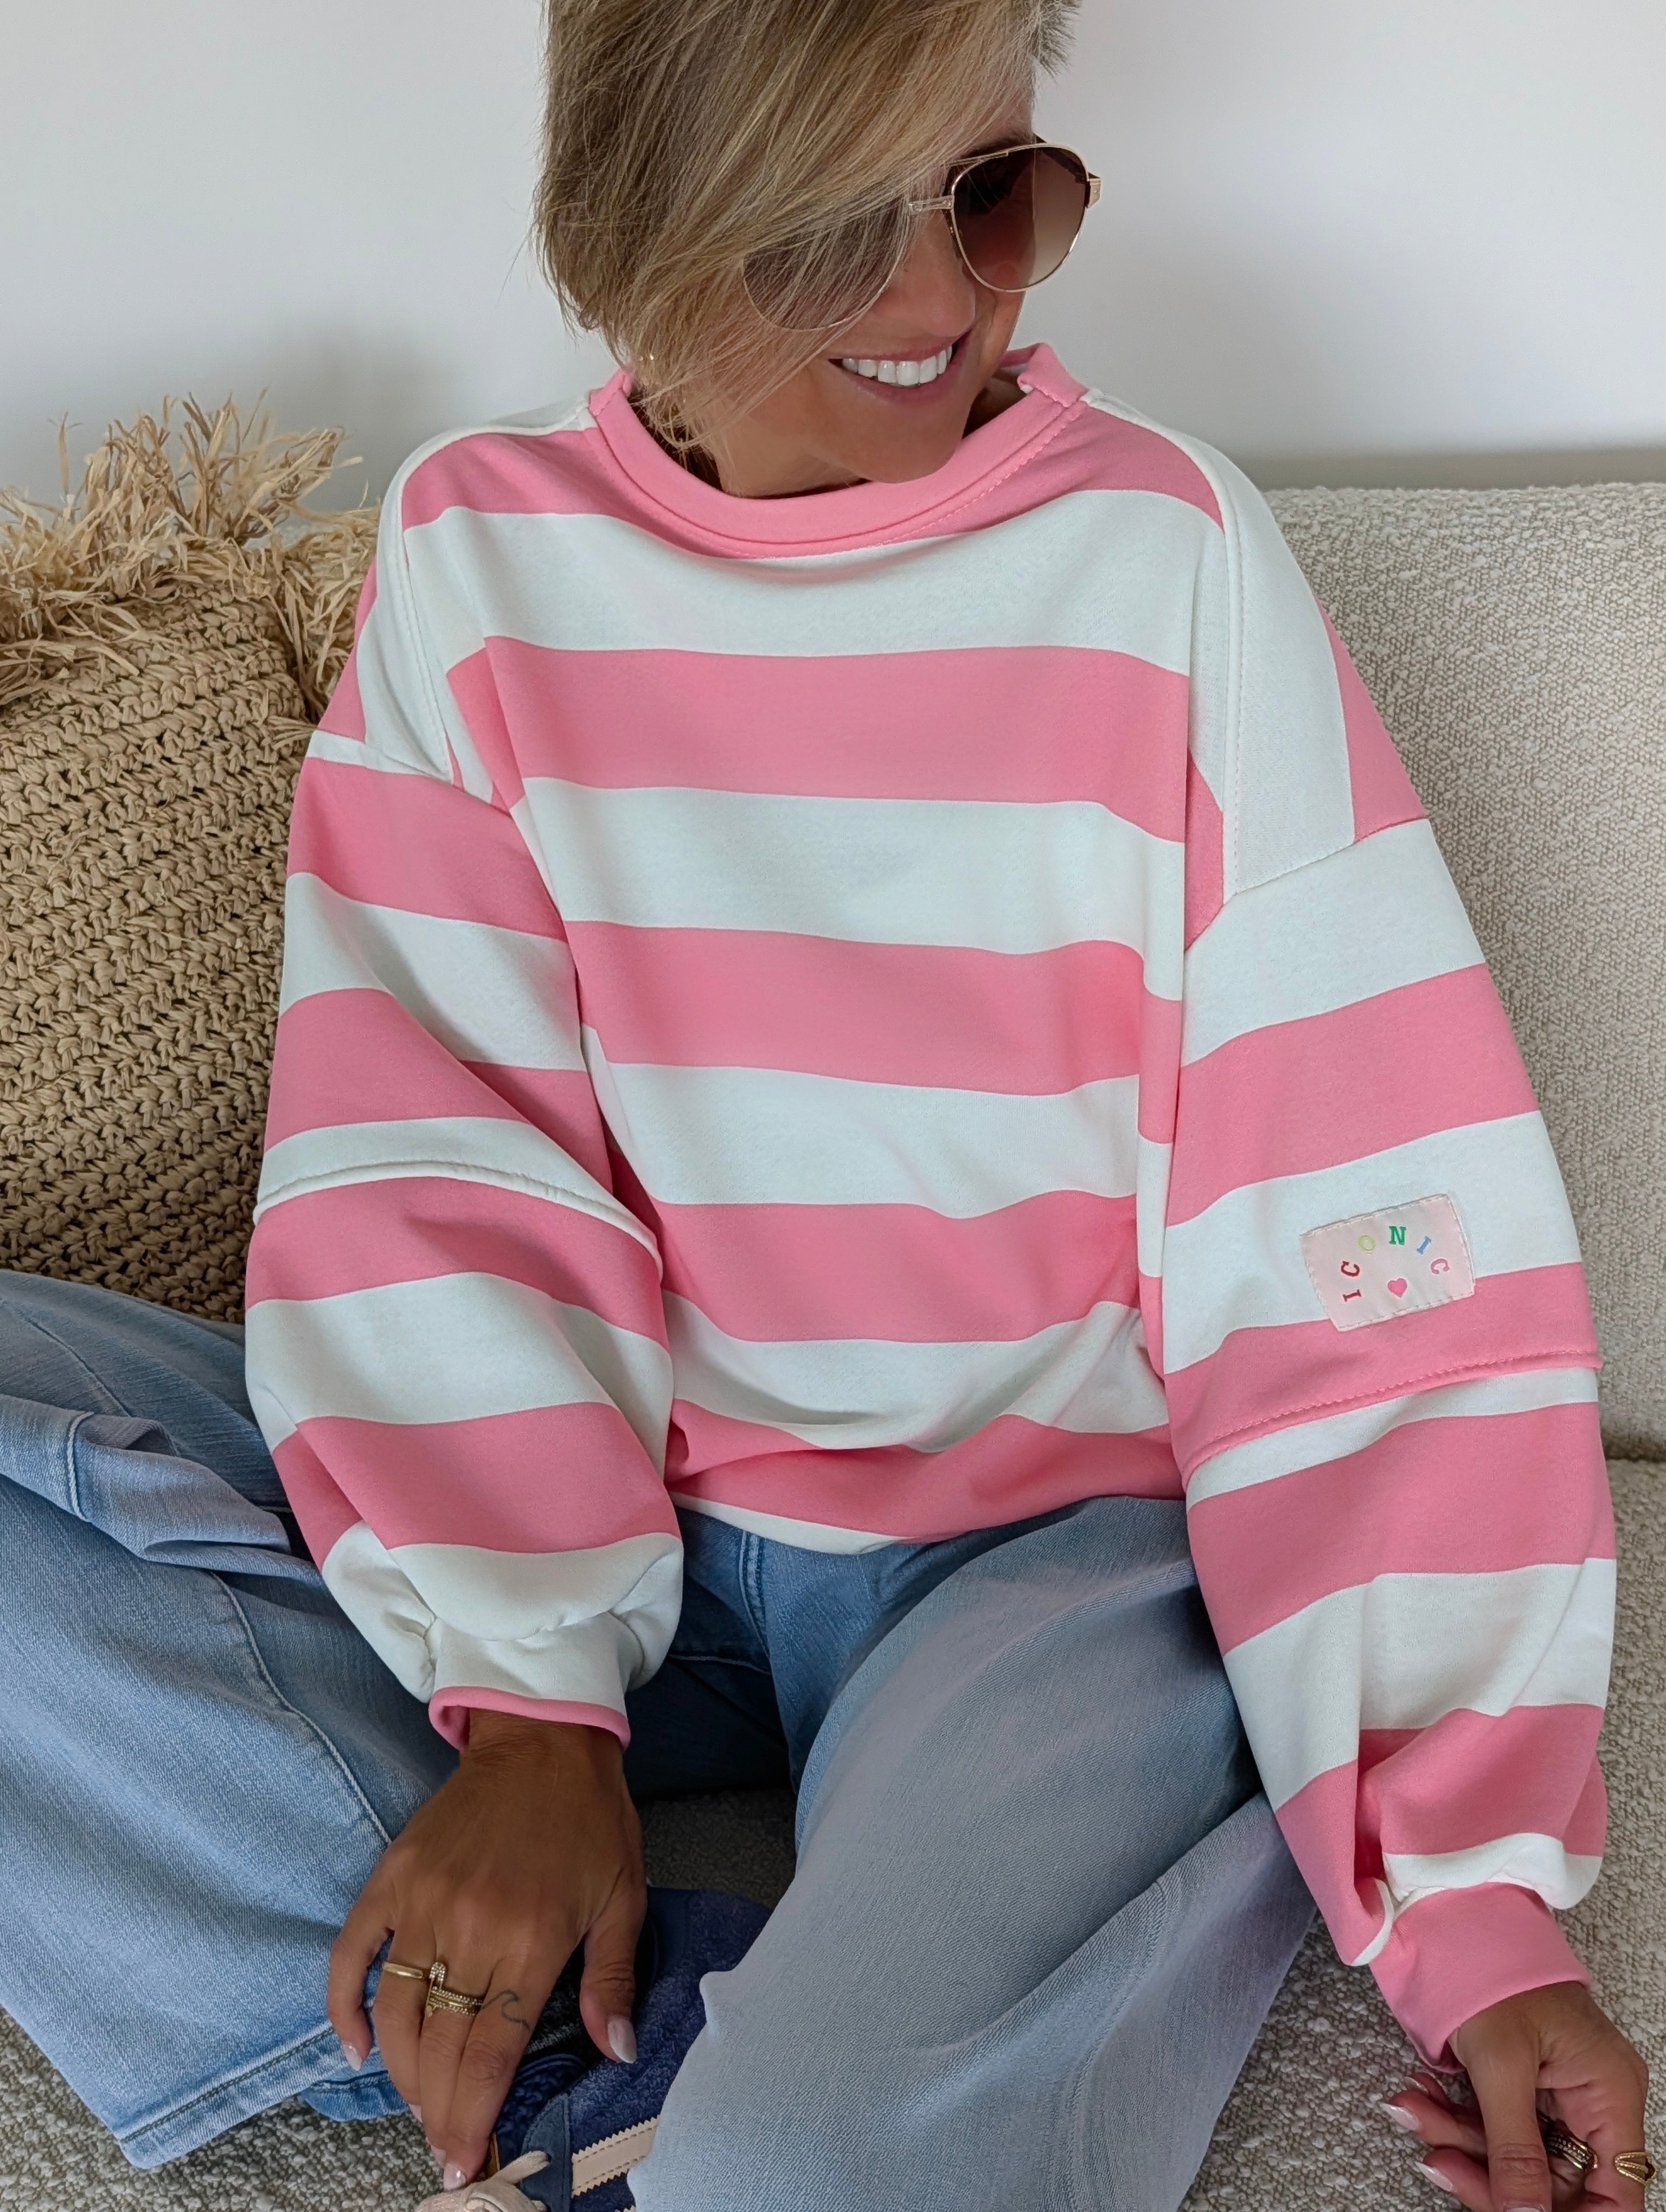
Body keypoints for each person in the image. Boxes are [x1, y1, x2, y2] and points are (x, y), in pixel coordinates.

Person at [1, 0, 1650, 2205]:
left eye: (993, 198)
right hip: (616, 1516)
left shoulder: (1165, 561)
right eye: (832, 227)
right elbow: (438, 1150)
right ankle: (616, 2025)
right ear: (645, 220)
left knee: (819, 2168)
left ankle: (691, 2065)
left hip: (1041, 1567)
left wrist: (1473, 1904)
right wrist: (531, 1705)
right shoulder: (477, 557)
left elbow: (1353, 1202)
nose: (940, 298)